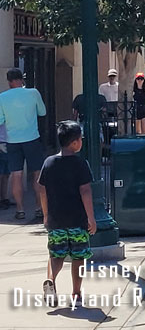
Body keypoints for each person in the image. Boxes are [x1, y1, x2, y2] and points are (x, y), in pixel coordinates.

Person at [38, 121, 96, 308]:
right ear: (74, 143)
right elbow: (85, 191)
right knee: (78, 258)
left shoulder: (49, 162)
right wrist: (91, 218)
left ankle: (50, 280)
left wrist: (46, 215)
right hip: (77, 220)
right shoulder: (80, 164)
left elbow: (42, 191)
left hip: (56, 220)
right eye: (80, 139)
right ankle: (76, 293)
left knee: (56, 255)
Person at [0, 69, 47, 220]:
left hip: (12, 140)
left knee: (16, 174)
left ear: (9, 81)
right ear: (22, 79)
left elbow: (0, 120)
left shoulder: (2, 97)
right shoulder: (33, 93)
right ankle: (39, 207)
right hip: (32, 138)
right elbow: (42, 112)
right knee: (37, 173)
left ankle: (20, 209)